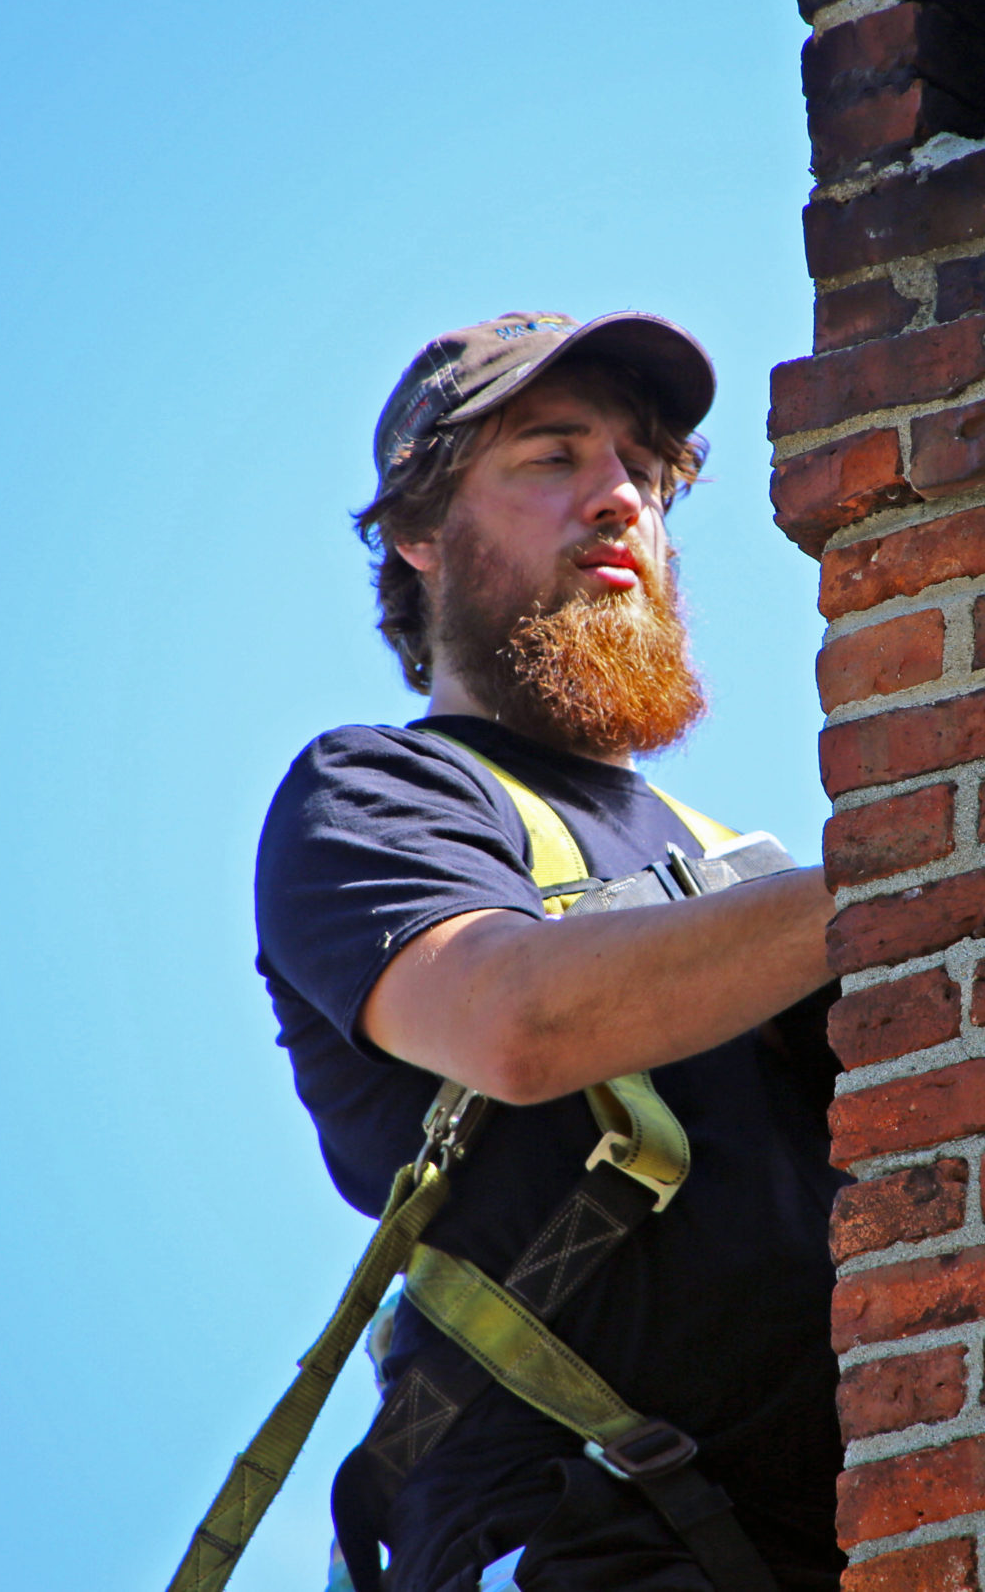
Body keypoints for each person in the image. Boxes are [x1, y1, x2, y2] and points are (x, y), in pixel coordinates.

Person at [252, 311, 847, 1592]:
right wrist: (890, 889)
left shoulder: (742, 867)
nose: (618, 496)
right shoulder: (373, 795)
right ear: (417, 536)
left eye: (647, 466)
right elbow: (515, 1024)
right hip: (576, 1540)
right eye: (551, 456)